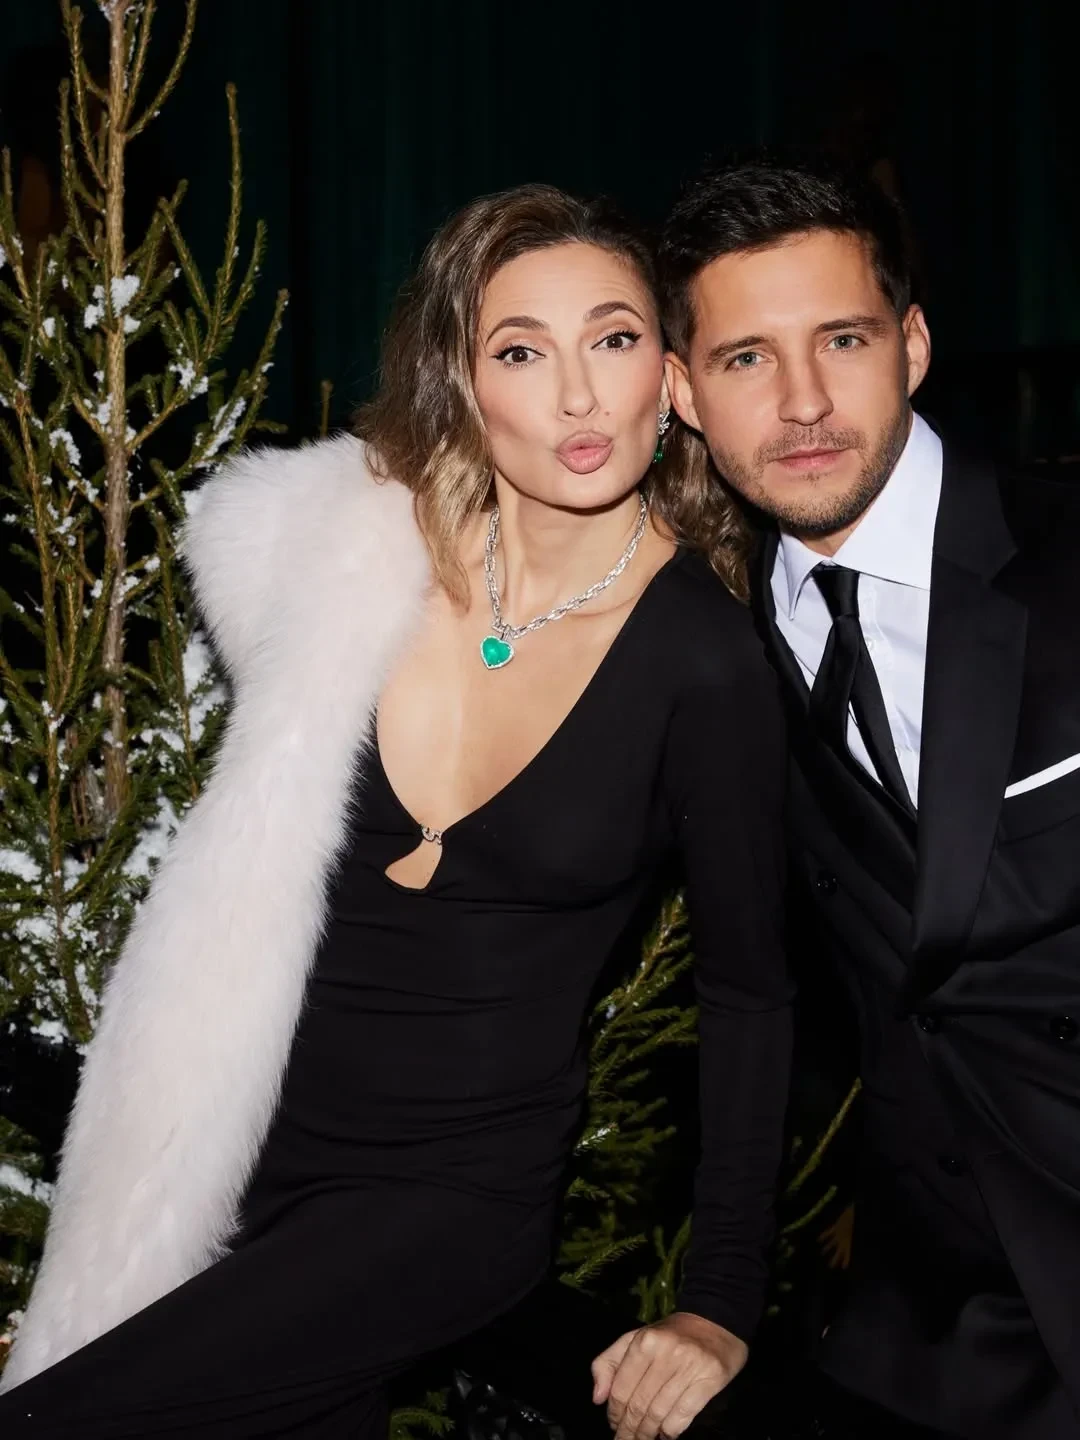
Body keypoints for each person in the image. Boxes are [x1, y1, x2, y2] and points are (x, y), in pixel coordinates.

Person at [0, 184, 791, 1439]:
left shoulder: (706, 662)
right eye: (521, 352)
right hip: (234, 1154)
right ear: (462, 384)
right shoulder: (355, 570)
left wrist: (720, 1302)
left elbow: (751, 991)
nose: (578, 396)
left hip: (449, 1204)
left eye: (614, 339)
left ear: (674, 377)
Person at [659, 159, 1080, 1439]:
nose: (802, 404)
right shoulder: (717, 645)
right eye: (745, 359)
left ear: (913, 345)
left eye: (841, 340)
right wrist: (719, 1297)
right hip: (935, 1317)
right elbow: (751, 989)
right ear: (681, 392)